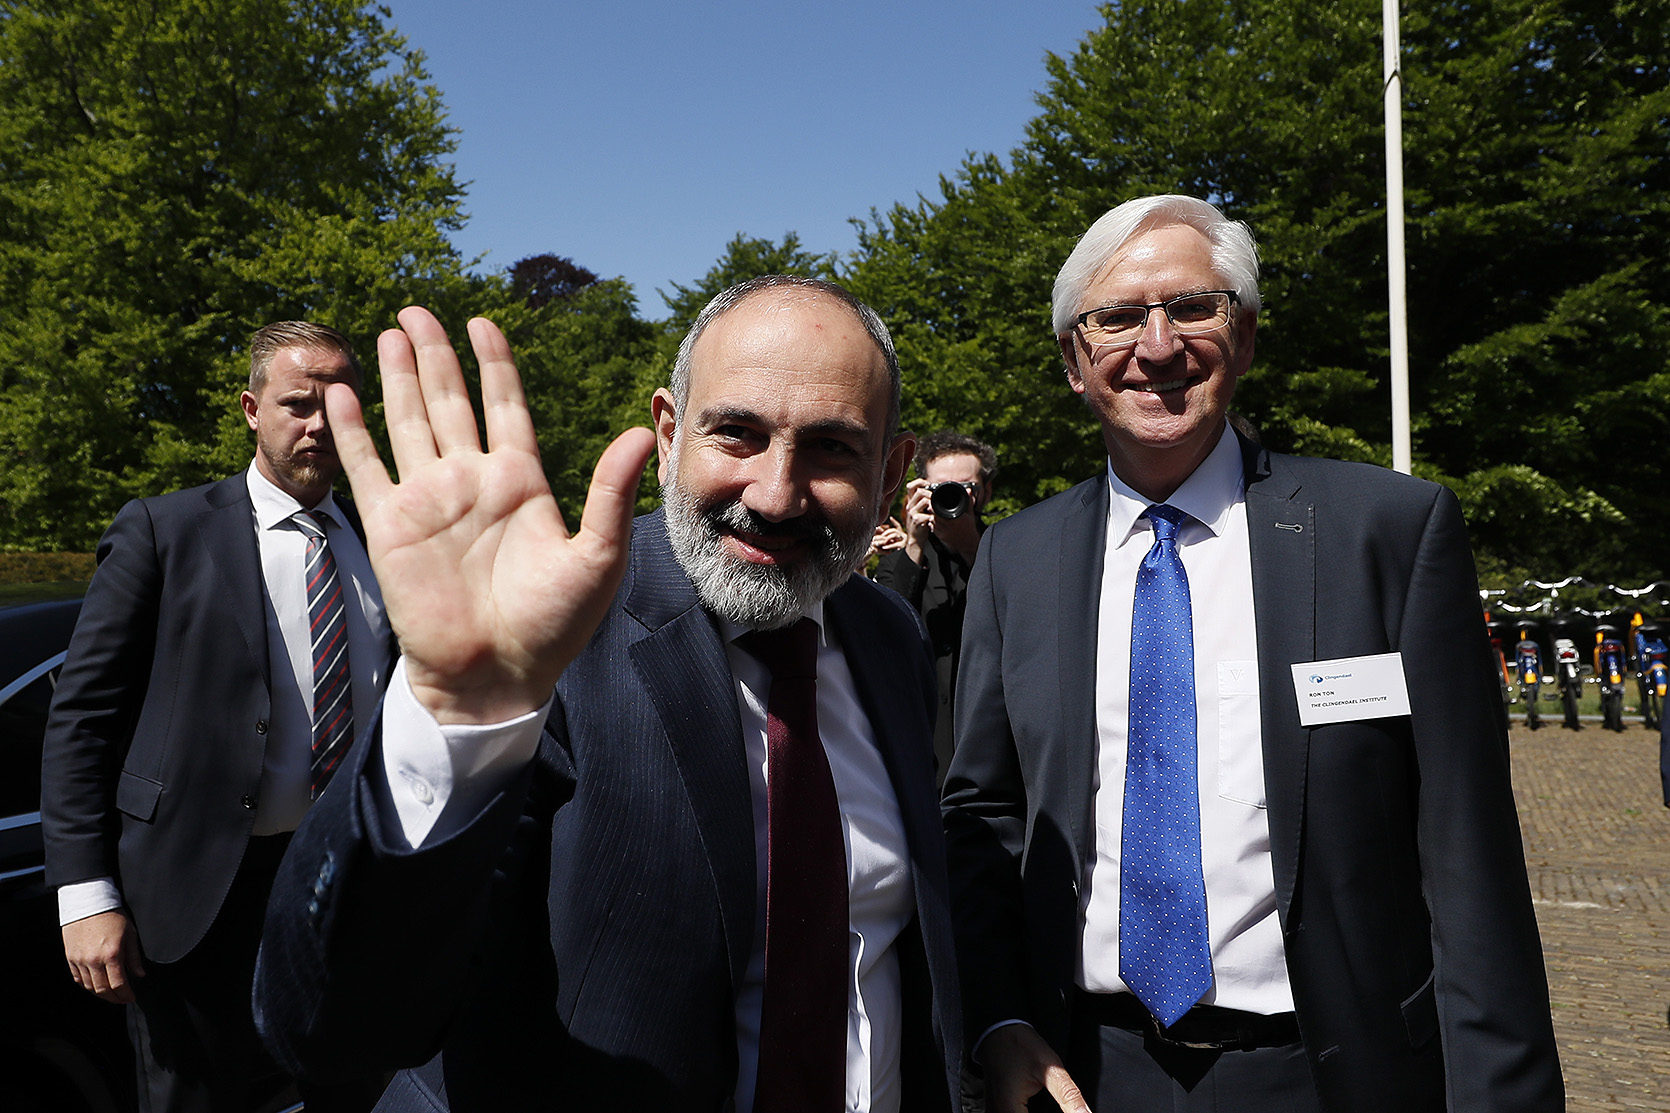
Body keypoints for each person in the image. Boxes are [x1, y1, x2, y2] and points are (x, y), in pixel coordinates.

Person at [253, 277, 963, 1112]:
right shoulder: (555, 635)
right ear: (668, 432)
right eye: (737, 433)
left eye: (832, 447)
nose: (775, 494)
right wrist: (459, 715)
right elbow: (334, 1025)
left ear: (891, 470)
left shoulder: (889, 635)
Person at [941, 196, 1563, 1112]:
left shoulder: (1388, 533)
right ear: (1074, 360)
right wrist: (998, 1020)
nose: (1157, 346)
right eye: (1117, 318)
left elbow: (1468, 849)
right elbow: (983, 818)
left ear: (1246, 336)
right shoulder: (1015, 559)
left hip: (1327, 1073)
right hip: (1086, 1074)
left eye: (1193, 307)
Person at [41, 321, 392, 1112]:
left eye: (338, 403)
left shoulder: (384, 542)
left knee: (355, 1094)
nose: (319, 423)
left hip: (352, 887)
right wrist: (86, 894)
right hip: (199, 894)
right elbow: (81, 719)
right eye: (297, 403)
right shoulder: (164, 530)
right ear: (251, 409)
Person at [874, 431, 997, 780]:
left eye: (965, 487)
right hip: (922, 741)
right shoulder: (900, 561)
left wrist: (972, 547)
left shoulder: (1005, 548)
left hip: (988, 740)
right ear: (920, 491)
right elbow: (886, 631)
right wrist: (914, 543)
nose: (952, 496)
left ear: (986, 492)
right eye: (940, 488)